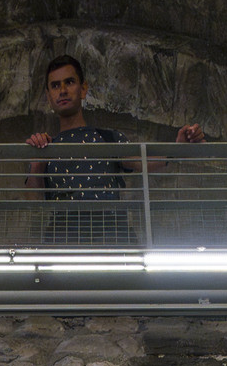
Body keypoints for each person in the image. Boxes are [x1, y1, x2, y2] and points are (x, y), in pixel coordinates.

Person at [26, 55, 204, 244]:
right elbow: (32, 201)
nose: (62, 91)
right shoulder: (47, 147)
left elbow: (141, 161)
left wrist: (177, 150)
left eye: (69, 82)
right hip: (63, 242)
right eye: (55, 86)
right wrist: (38, 162)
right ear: (49, 96)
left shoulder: (107, 138)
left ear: (83, 89)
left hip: (111, 238)